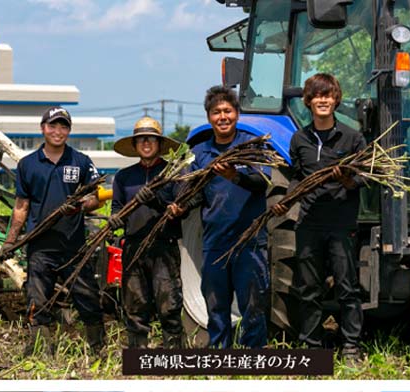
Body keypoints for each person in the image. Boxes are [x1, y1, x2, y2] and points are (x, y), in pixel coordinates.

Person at [271, 73, 365, 362]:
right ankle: (312, 346)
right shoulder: (300, 138)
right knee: (308, 289)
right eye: (316, 96)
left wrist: (347, 179)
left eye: (328, 95)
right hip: (309, 222)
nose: (322, 100)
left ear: (336, 99)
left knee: (347, 287)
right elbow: (298, 177)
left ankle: (351, 346)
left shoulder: (352, 137)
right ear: (308, 102)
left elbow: (364, 179)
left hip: (341, 223)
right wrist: (286, 202)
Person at [168, 86, 270, 348]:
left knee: (253, 304)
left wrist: (234, 176)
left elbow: (263, 181)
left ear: (236, 114)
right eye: (216, 112)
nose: (222, 117)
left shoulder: (250, 146)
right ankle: (219, 355)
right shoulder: (201, 153)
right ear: (208, 117)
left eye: (227, 111)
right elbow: (192, 191)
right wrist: (180, 206)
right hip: (215, 242)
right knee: (215, 304)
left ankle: (253, 356)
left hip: (249, 241)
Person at [1, 106, 105, 356]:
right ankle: (41, 350)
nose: (58, 131)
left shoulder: (80, 161)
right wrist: (10, 242)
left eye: (63, 126)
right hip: (40, 245)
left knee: (87, 297)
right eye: (53, 126)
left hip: (73, 244)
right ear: (43, 128)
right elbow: (21, 207)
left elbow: (97, 198)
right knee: (37, 300)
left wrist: (82, 205)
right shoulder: (27, 165)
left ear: (69, 131)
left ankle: (97, 348)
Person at [109, 117, 185, 349]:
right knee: (134, 305)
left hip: (164, 246)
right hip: (133, 246)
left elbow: (181, 208)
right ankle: (138, 355)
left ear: (159, 143)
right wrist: (115, 219)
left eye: (151, 139)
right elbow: (117, 209)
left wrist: (157, 200)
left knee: (169, 304)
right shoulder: (124, 177)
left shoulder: (173, 173)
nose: (146, 143)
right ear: (135, 145)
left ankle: (173, 357)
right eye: (141, 139)